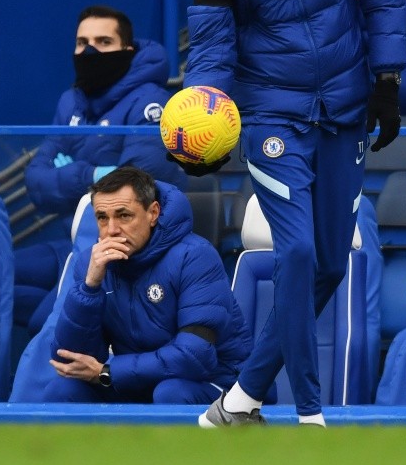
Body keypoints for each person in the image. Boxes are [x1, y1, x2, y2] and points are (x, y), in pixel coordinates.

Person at [176, 0, 406, 426]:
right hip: (270, 110)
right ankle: (308, 415)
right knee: (298, 253)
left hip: (344, 103)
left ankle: (239, 401)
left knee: (330, 263)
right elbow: (213, 42)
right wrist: (204, 115)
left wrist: (387, 77)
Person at [15, 4, 186, 336]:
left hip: (122, 252)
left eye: (104, 42)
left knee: (45, 323)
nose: (90, 52)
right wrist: (91, 175)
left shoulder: (150, 101)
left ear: (127, 50)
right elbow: (35, 183)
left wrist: (68, 173)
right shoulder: (71, 101)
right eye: (82, 43)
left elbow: (138, 187)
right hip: (68, 243)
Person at [44, 166, 252, 403]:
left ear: (153, 213)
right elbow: (68, 360)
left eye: (124, 216)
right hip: (135, 382)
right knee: (62, 390)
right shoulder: (93, 264)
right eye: (102, 217)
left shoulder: (195, 257)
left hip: (214, 384)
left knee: (170, 393)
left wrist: (108, 372)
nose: (112, 230)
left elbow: (194, 357)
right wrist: (89, 288)